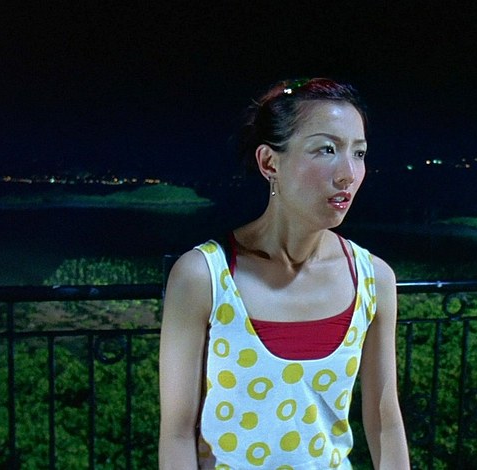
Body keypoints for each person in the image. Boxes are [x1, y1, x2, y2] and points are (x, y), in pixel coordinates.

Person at [158, 78, 410, 469]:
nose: (348, 173)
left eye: (358, 153)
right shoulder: (204, 276)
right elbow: (177, 433)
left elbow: (384, 422)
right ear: (269, 163)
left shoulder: (373, 278)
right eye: (327, 149)